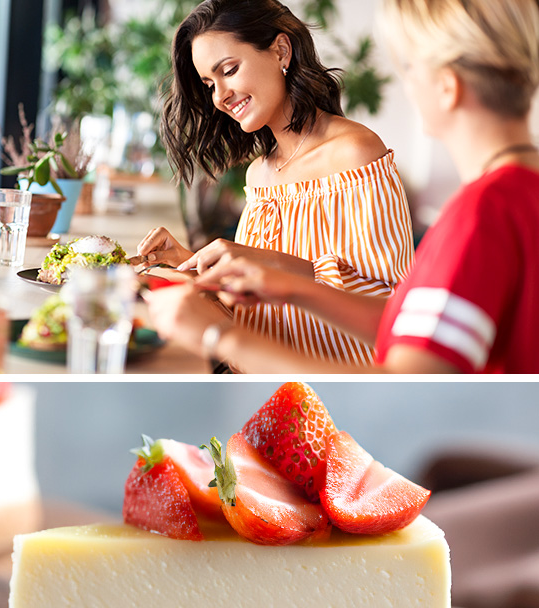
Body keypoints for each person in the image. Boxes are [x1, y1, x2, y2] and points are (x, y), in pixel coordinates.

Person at [145, 0, 539, 373]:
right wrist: (251, 277)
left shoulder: (479, 215)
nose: (219, 97)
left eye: (408, 66)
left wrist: (222, 335)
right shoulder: (511, 197)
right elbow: (403, 326)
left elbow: (408, 375)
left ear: (447, 86)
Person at [137, 0, 412, 367]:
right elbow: (260, 318)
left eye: (230, 70)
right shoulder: (259, 174)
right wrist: (193, 267)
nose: (219, 97)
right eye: (208, 84)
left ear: (281, 51)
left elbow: (396, 312)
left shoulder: (355, 153)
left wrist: (268, 263)